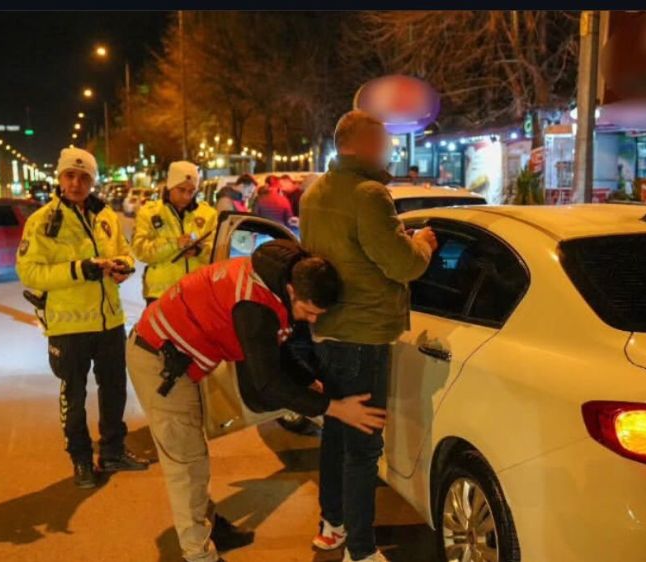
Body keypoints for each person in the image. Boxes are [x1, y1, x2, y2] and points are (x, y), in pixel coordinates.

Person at [126, 239, 386, 562]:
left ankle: (206, 525)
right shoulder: (254, 306)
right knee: (186, 461)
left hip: (181, 356)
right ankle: (198, 554)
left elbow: (276, 350)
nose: (313, 321)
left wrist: (308, 381)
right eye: (309, 312)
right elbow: (267, 383)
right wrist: (335, 408)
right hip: (159, 361)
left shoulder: (278, 275)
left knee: (193, 453)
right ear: (292, 291)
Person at [300, 110, 438, 562]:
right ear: (361, 143)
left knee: (337, 435)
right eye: (384, 142)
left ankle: (331, 526)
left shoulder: (315, 192)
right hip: (366, 335)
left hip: (329, 329)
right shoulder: (370, 194)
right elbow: (404, 265)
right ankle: (361, 551)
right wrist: (423, 244)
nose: (389, 151)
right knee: (363, 446)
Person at [16, 147, 149, 489]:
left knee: (115, 390)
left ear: (92, 181)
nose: (76, 183)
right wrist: (81, 270)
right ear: (60, 178)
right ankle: (80, 459)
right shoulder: (43, 221)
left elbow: (123, 251)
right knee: (73, 396)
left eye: (84, 177)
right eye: (70, 176)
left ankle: (113, 451)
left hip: (109, 323)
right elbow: (29, 271)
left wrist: (124, 267)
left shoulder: (105, 216)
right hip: (69, 325)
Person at [132, 161, 218, 305]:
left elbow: (219, 252)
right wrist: (174, 244)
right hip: (160, 295)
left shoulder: (209, 214)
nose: (186, 196)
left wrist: (199, 250)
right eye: (181, 190)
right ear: (170, 186)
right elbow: (140, 251)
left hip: (197, 293)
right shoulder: (149, 212)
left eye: (191, 191)